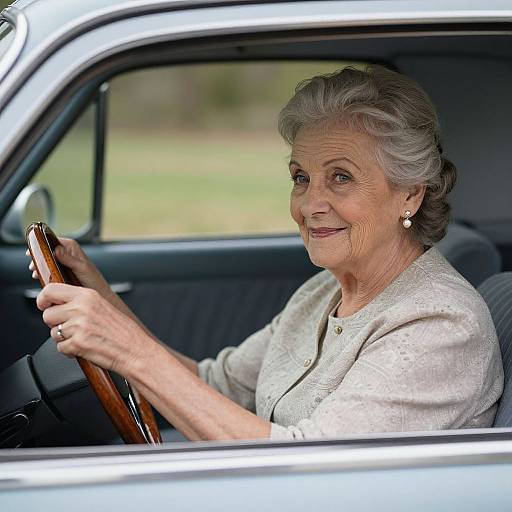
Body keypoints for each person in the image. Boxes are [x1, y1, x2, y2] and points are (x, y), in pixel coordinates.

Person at [29, 65, 503, 441]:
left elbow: (308, 476)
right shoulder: (324, 290)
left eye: (341, 177)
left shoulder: (440, 325)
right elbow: (216, 387)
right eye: (301, 177)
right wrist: (103, 298)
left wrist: (128, 352)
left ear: (410, 195)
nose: (310, 205)